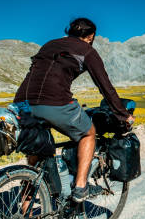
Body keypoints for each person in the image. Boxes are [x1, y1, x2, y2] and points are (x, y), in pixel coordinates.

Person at [14, 17, 134, 202]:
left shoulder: (49, 45)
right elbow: (105, 87)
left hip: (22, 103)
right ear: (91, 36)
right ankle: (80, 187)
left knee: (36, 157)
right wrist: (123, 114)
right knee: (88, 134)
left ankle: (25, 214)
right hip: (54, 101)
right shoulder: (87, 50)